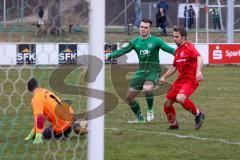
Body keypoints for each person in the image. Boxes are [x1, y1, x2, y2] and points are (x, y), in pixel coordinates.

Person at [107, 18, 175, 122]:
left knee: (147, 89)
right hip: (141, 71)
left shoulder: (156, 41)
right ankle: (140, 118)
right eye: (141, 27)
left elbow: (170, 49)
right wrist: (110, 56)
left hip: (153, 70)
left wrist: (181, 54)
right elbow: (123, 50)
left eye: (145, 27)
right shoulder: (135, 41)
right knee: (129, 97)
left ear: (149, 29)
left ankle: (150, 110)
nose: (143, 29)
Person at [159, 26, 205, 130]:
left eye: (177, 37)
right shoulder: (178, 50)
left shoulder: (189, 47)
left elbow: (199, 57)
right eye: (173, 37)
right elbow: (174, 66)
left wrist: (198, 71)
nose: (174, 39)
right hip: (180, 81)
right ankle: (174, 124)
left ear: (183, 37)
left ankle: (198, 114)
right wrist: (164, 77)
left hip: (190, 80)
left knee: (180, 98)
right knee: (167, 103)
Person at [24, 78, 75, 144]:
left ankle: (63, 134)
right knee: (51, 126)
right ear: (38, 85)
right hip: (72, 118)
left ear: (29, 89)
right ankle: (77, 125)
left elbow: (40, 118)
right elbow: (43, 118)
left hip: (63, 126)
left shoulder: (36, 99)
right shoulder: (47, 91)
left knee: (45, 133)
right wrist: (33, 131)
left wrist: (38, 136)